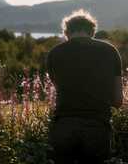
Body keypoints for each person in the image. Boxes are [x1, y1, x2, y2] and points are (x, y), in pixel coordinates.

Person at [47, 9, 123, 164]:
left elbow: (58, 88)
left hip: (63, 127)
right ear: (92, 32)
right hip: (97, 128)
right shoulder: (110, 51)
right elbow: (118, 101)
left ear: (66, 32)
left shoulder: (54, 53)